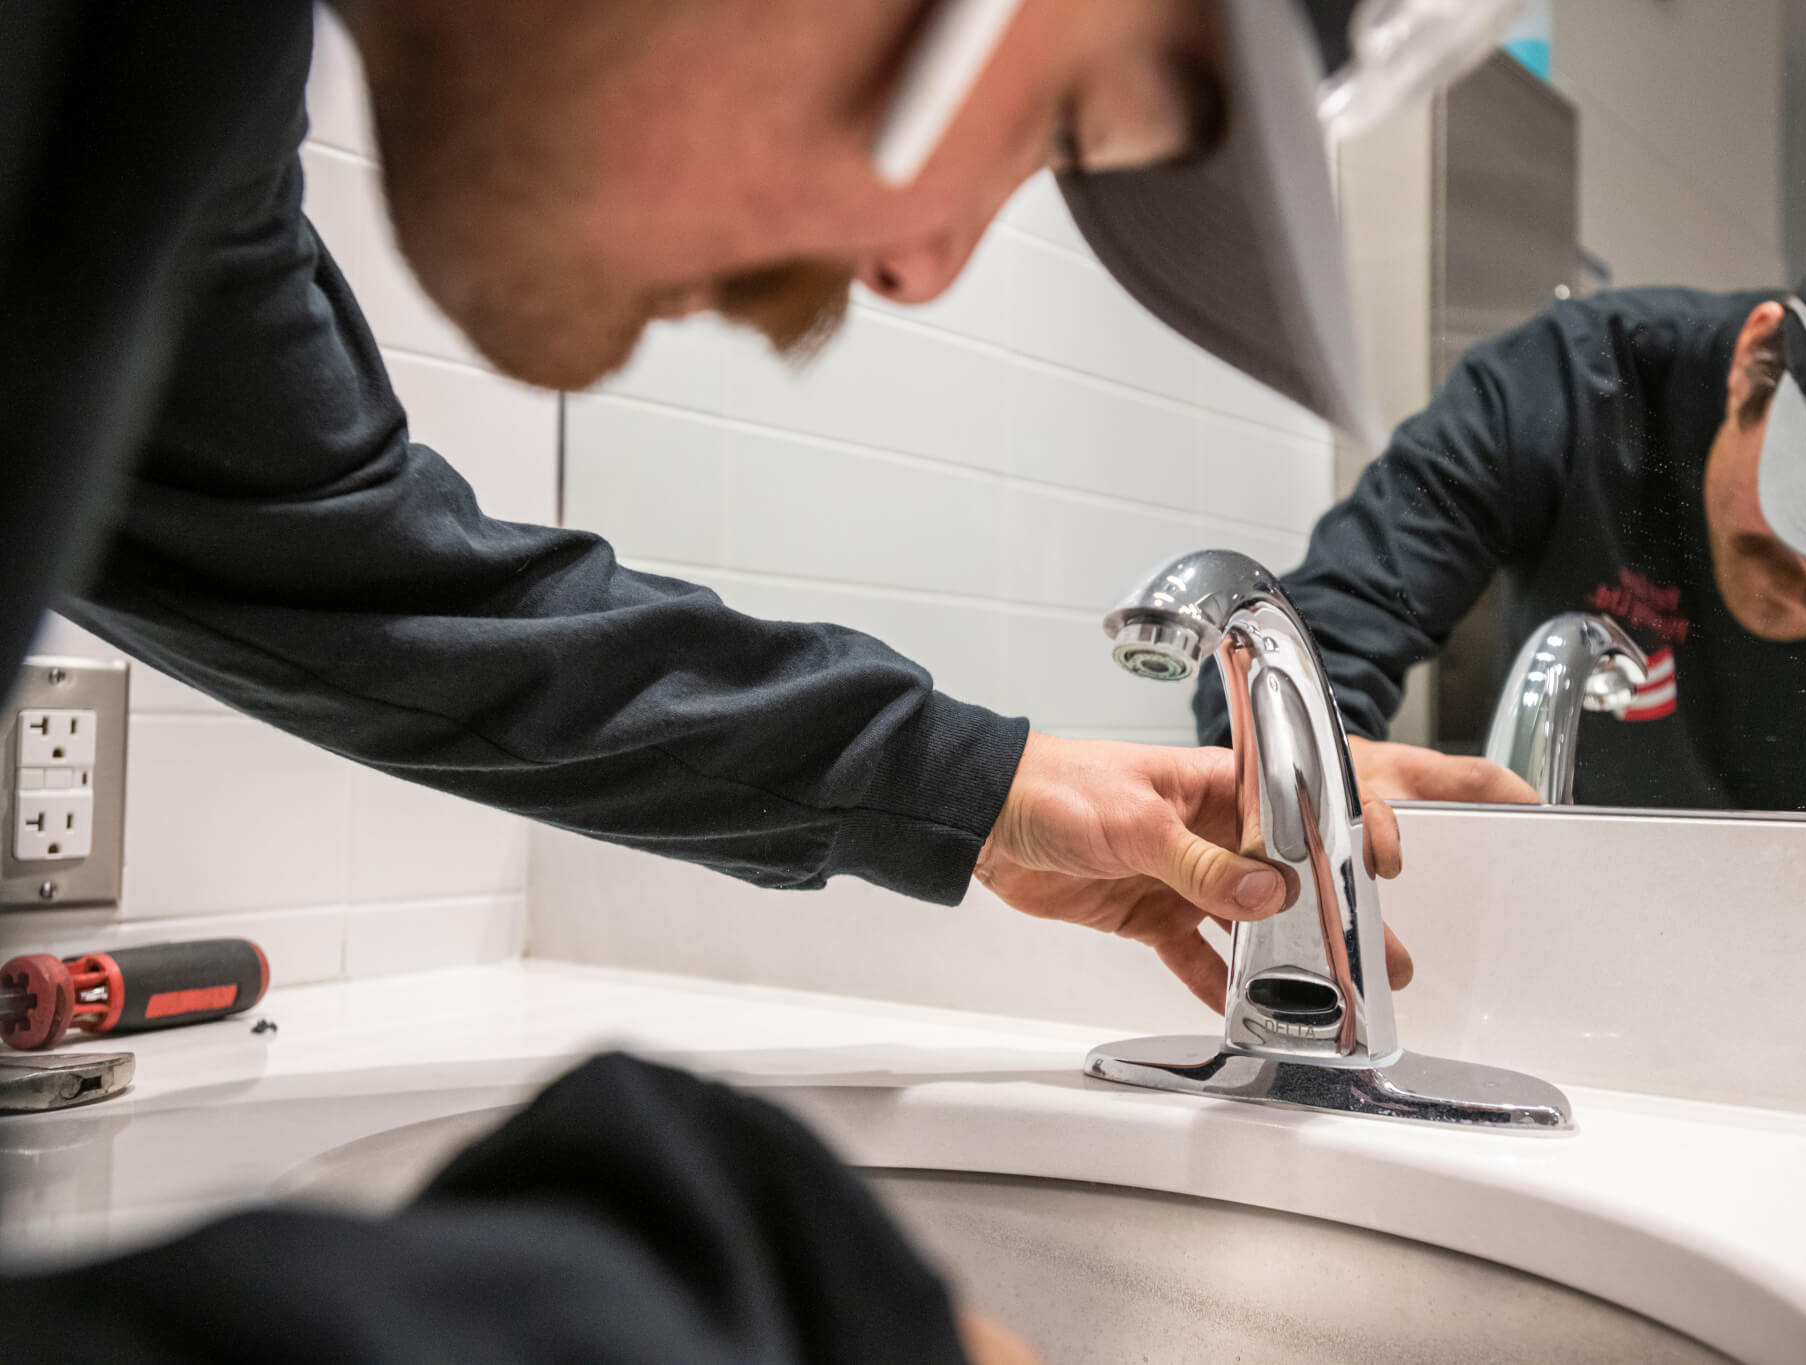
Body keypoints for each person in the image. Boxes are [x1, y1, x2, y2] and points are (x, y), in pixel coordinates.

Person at [1, 1, 1445, 1360]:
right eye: (1059, 115)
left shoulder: (162, 82)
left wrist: (968, 783)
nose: (923, 261)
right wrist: (748, 1285)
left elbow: (334, 561)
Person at [1196, 285, 1806, 817]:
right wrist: (1306, 774)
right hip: (1557, 922)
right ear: (1756, 362)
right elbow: (1319, 629)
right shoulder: (1575, 381)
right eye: (1794, 529)